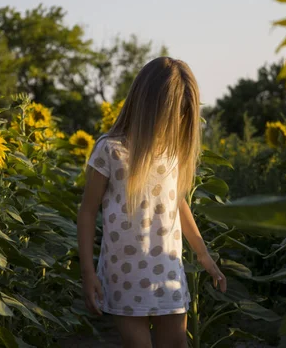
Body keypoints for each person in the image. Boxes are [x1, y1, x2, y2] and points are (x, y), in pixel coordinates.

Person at [77, 57, 227, 348]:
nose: (180, 121)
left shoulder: (172, 153)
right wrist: (88, 273)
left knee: (176, 343)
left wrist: (204, 255)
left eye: (186, 113)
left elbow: (178, 205)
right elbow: (87, 213)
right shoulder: (111, 150)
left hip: (168, 269)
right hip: (124, 272)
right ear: (149, 106)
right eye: (175, 113)